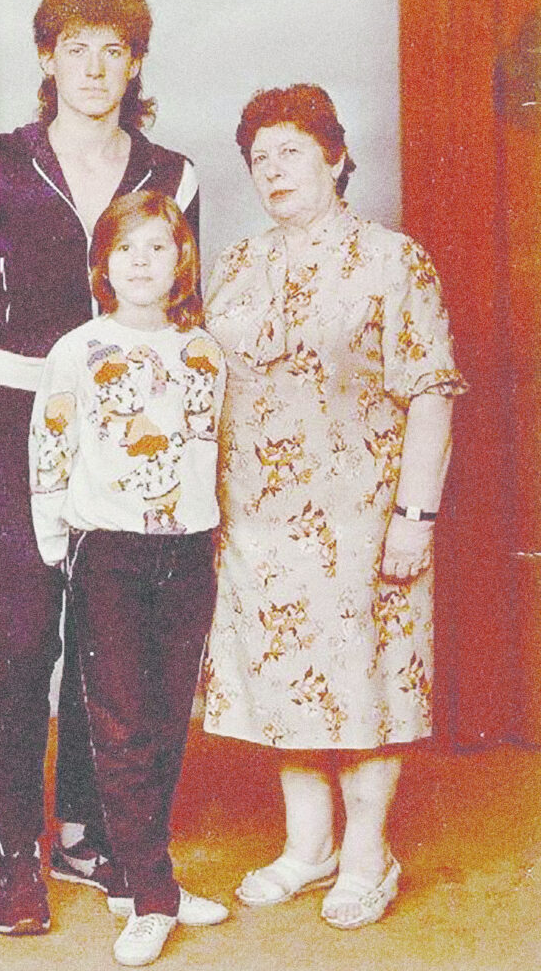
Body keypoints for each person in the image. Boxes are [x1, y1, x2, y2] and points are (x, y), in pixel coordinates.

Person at [0, 0, 200, 936]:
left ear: (136, 63)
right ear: (46, 59)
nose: (96, 67)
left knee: (110, 646)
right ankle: (15, 849)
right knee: (27, 636)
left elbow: (184, 317)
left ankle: (86, 833)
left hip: (130, 432)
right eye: (77, 48)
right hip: (21, 416)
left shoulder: (174, 175)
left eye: (114, 50)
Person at [201, 85, 468, 929]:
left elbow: (431, 392)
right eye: (259, 159)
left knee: (365, 689)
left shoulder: (392, 260)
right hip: (256, 520)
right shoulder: (240, 262)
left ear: (336, 158)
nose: (273, 170)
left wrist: (415, 517)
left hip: (361, 520)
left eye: (291, 152)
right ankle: (308, 847)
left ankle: (367, 857)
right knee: (285, 682)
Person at [29, 190, 229, 966]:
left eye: (157, 248)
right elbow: (50, 446)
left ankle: (146, 874)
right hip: (107, 549)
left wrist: (213, 537)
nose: (142, 263)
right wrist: (55, 537)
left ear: (180, 260)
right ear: (102, 265)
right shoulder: (78, 349)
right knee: (116, 717)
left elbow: (210, 452)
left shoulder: (203, 350)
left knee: (169, 713)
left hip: (187, 551)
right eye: (126, 250)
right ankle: (150, 894)